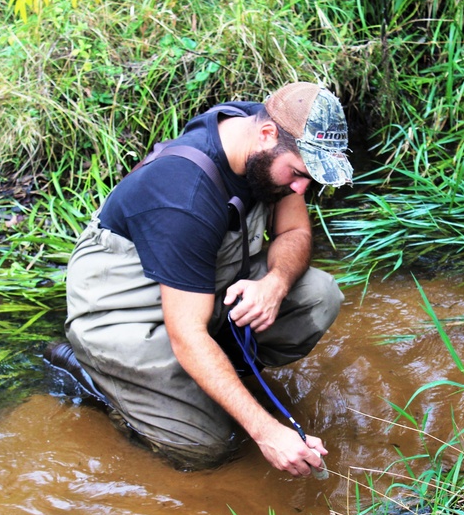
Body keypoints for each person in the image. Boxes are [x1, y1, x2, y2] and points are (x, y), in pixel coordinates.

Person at [50, 82, 352, 477]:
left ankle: (211, 377)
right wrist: (267, 432)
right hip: (127, 315)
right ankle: (91, 373)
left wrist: (275, 283)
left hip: (200, 293)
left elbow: (294, 232)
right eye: (298, 174)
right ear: (266, 136)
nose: (300, 188)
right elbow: (188, 335)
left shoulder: (266, 138)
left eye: (309, 179)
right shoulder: (184, 195)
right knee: (206, 448)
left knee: (318, 296)